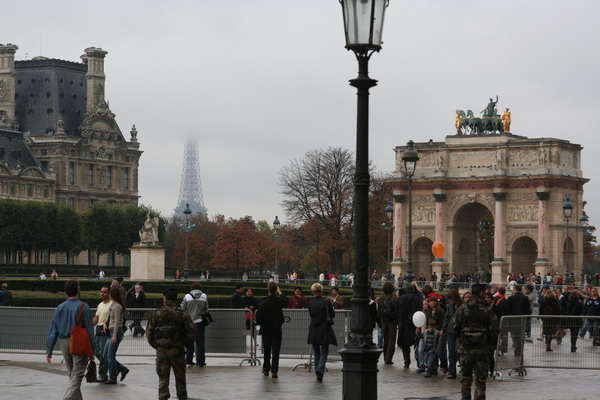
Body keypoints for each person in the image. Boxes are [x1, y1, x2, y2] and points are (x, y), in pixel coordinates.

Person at [45, 279, 95, 399]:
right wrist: (92, 348)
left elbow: (53, 330)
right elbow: (89, 329)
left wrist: (49, 349)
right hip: (78, 342)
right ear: (78, 290)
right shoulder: (84, 306)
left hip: (64, 342)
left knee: (72, 374)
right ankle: (66, 398)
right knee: (77, 374)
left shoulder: (60, 307)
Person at [146, 288, 196, 400]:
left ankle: (163, 395)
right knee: (180, 376)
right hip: (177, 349)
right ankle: (182, 395)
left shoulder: (156, 313)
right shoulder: (182, 313)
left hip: (162, 350)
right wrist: (185, 343)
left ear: (165, 298)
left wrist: (157, 345)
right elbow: (192, 331)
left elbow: (149, 333)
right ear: (175, 299)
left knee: (163, 376)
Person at [452, 283, 498, 400]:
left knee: (465, 380)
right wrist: (490, 347)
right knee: (480, 382)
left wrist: (463, 339)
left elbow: (454, 329)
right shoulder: (488, 311)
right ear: (482, 293)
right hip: (482, 351)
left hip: (465, 351)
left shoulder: (462, 310)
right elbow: (494, 331)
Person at [255, 281, 287, 379]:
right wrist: (280, 292)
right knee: (276, 351)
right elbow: (285, 301)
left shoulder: (262, 303)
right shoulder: (278, 301)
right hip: (277, 330)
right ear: (275, 290)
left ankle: (266, 369)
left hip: (266, 330)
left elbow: (258, 320)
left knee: (267, 350)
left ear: (268, 290)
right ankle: (274, 371)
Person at [307, 283, 337, 382]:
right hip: (324, 327)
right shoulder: (326, 302)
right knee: (324, 351)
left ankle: (318, 372)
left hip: (314, 327)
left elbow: (311, 314)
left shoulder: (310, 302)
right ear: (321, 291)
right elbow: (332, 314)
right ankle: (320, 369)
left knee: (316, 352)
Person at [103, 285, 129, 384]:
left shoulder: (117, 306)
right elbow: (111, 318)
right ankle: (122, 369)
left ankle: (113, 377)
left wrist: (114, 335)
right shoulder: (113, 304)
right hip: (111, 331)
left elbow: (118, 321)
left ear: (111, 294)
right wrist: (105, 322)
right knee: (105, 355)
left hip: (116, 332)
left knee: (110, 356)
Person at [180, 283, 208, 367]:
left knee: (189, 342)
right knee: (200, 342)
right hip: (200, 322)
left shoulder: (187, 296)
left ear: (191, 288)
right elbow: (206, 308)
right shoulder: (204, 296)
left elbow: (182, 308)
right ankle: (201, 361)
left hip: (189, 322)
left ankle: (188, 360)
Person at [397, 283, 423, 369]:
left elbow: (397, 311)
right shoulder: (416, 298)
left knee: (405, 345)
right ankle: (419, 362)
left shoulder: (400, 298)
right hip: (414, 323)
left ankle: (406, 362)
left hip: (403, 324)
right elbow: (419, 309)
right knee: (416, 343)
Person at [93, 285, 112, 383]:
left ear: (109, 293)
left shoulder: (112, 304)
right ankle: (116, 367)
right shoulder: (100, 305)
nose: (102, 293)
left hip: (106, 332)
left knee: (103, 354)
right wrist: (88, 325)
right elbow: (96, 318)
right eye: (101, 291)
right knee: (96, 351)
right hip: (98, 331)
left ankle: (102, 374)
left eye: (104, 292)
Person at [441, 289, 462, 379]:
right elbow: (446, 318)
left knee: (457, 349)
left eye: (452, 299)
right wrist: (443, 329)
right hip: (450, 331)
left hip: (460, 331)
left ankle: (461, 365)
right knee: (451, 351)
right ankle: (452, 371)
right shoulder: (449, 306)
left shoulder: (462, 306)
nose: (451, 301)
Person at [378, 281, 399, 365]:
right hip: (392, 322)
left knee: (385, 339)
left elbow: (379, 311)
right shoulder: (395, 298)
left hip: (384, 321)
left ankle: (385, 357)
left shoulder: (381, 298)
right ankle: (388, 358)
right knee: (391, 340)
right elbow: (397, 311)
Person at [507, 285, 531, 356]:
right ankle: (519, 349)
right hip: (522, 319)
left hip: (513, 319)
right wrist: (527, 318)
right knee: (521, 335)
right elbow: (528, 310)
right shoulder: (525, 298)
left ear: (515, 289)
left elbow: (508, 310)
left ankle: (517, 348)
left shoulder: (510, 298)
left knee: (515, 335)